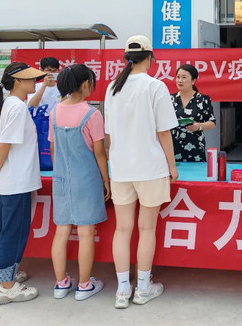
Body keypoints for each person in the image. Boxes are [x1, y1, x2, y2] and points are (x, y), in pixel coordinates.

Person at [105, 35, 179, 309]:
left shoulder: (113, 87)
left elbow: (109, 135)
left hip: (121, 168)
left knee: (122, 229)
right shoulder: (155, 86)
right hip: (150, 167)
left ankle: (122, 289)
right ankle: (143, 287)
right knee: (147, 228)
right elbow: (164, 131)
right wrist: (172, 166)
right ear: (150, 57)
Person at [0, 62, 46, 305]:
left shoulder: (10, 104)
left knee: (3, 227)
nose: (35, 82)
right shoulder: (17, 108)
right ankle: (7, 286)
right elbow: (5, 144)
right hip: (16, 179)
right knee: (14, 230)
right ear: (18, 81)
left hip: (10, 178)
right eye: (30, 79)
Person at [48, 64, 111, 301]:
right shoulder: (92, 114)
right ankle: (84, 285)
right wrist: (106, 180)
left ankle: (60, 283)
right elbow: (100, 152)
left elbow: (53, 149)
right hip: (86, 179)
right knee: (86, 233)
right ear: (86, 84)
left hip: (61, 178)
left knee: (61, 231)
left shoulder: (55, 112)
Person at [170, 64, 216, 162]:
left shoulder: (203, 99)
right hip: (173, 145)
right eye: (178, 77)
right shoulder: (170, 99)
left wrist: (199, 126)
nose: (180, 80)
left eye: (184, 77)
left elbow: (212, 122)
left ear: (193, 81)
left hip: (195, 146)